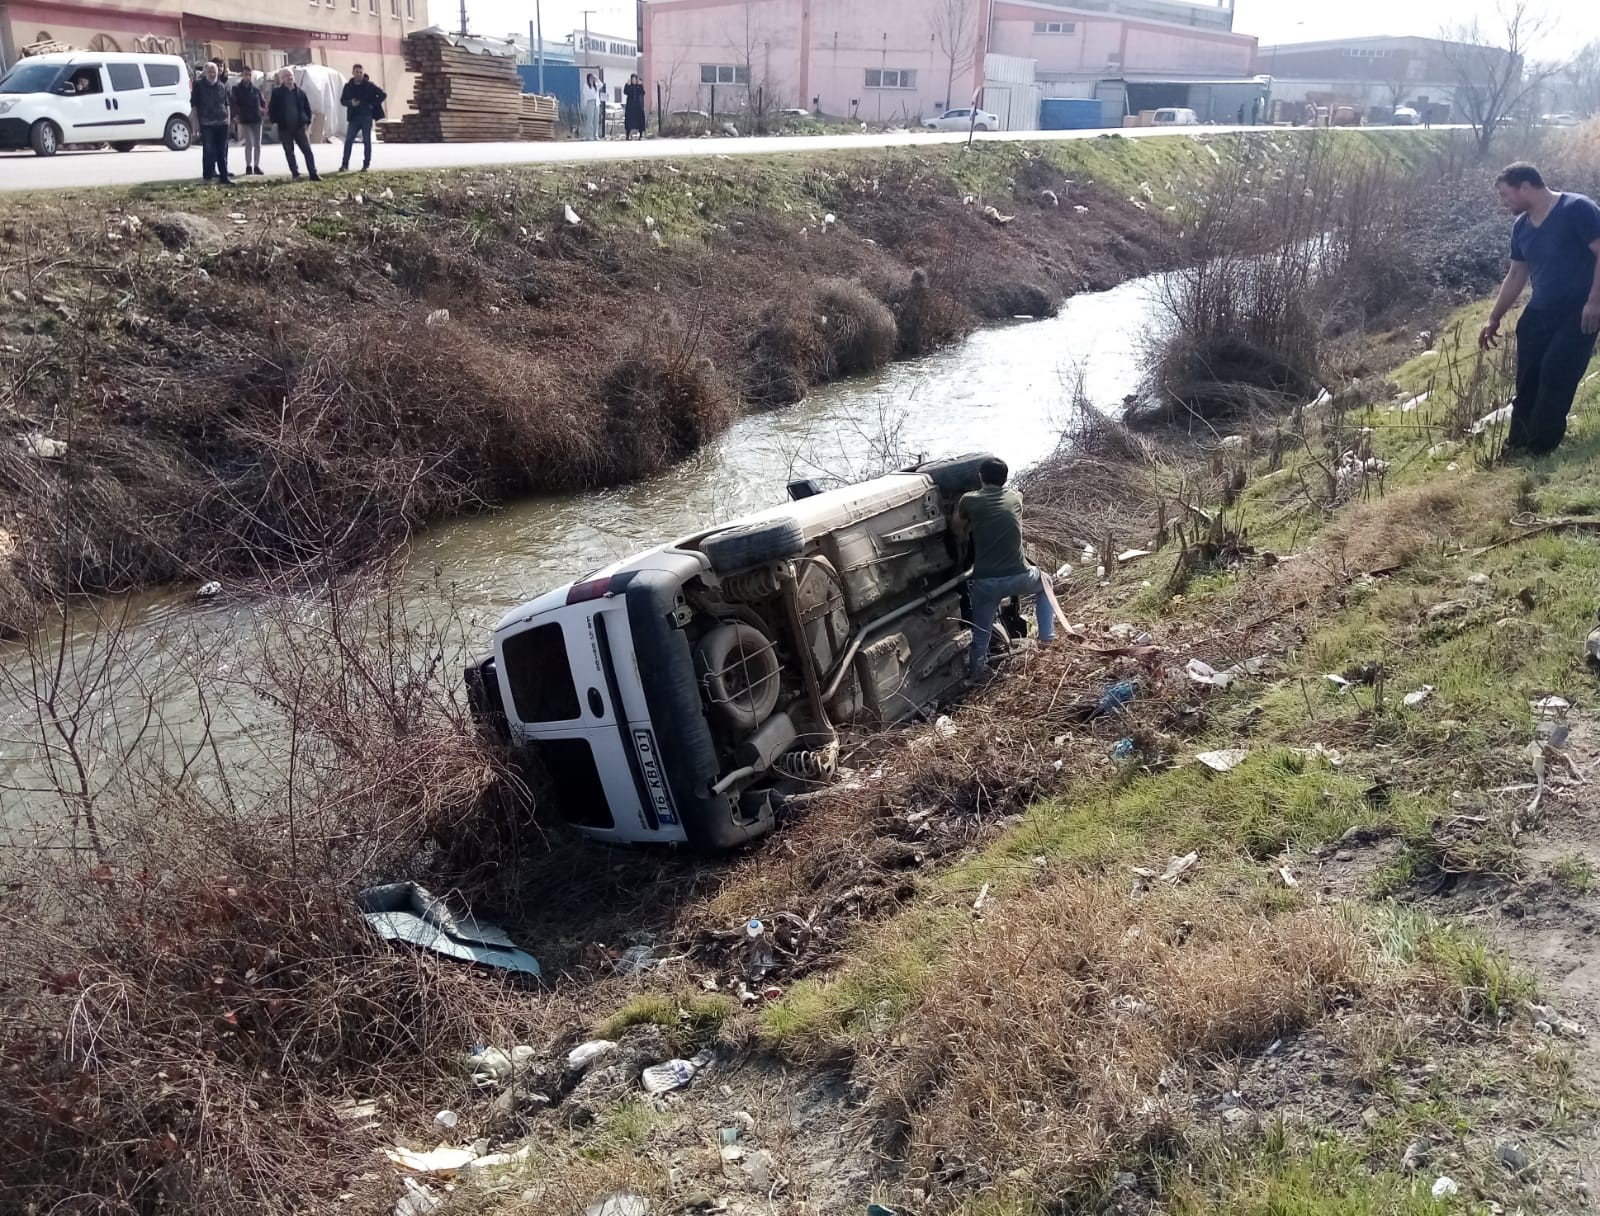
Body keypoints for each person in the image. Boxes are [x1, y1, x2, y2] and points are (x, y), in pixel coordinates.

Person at [1479, 163, 1600, 456]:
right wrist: (1494, 318)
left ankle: (1539, 449)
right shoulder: (1521, 226)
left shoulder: (1577, 209)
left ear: (1525, 187)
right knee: (1528, 378)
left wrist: (1595, 302)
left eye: (1506, 195)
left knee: (1556, 373)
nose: (1503, 202)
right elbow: (1516, 275)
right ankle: (1516, 444)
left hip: (1579, 311)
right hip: (1540, 311)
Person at [955, 457, 1056, 678]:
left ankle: (976, 676)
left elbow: (958, 530)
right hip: (1019, 577)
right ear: (1005, 479)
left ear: (980, 478)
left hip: (985, 583)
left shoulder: (968, 500)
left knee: (981, 633)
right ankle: (1047, 640)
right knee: (1045, 582)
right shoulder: (1015, 497)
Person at [269, 69, 320, 182]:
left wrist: (307, 122)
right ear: (282, 79)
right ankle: (295, 173)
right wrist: (275, 121)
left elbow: (307, 108)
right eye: (287, 76)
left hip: (299, 127)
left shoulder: (300, 92)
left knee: (307, 151)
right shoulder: (277, 93)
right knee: (289, 152)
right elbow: (272, 109)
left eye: (291, 76)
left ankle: (313, 173)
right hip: (285, 127)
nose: (290, 78)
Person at [190, 61, 233, 185]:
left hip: (222, 123)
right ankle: (207, 177)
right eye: (209, 71)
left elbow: (227, 104)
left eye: (214, 71)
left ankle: (224, 177)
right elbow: (194, 105)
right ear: (205, 72)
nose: (212, 74)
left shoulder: (222, 86)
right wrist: (195, 122)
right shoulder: (198, 85)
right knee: (209, 150)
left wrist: (228, 121)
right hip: (206, 123)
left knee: (222, 151)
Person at [339, 63, 386, 172]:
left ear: (362, 73)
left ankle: (366, 165)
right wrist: (350, 103)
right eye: (357, 72)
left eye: (360, 72)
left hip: (366, 116)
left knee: (367, 141)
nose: (359, 74)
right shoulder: (348, 86)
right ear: (353, 73)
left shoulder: (369, 85)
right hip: (354, 117)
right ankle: (344, 165)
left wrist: (372, 105)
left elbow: (383, 94)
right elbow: (342, 100)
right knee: (349, 140)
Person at [231, 67, 266, 176]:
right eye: (246, 74)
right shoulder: (236, 89)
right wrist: (236, 116)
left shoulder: (255, 90)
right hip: (245, 120)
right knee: (249, 144)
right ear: (242, 75)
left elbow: (263, 102)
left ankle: (256, 165)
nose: (248, 77)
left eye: (249, 75)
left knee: (258, 144)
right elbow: (233, 104)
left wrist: (263, 110)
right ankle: (248, 166)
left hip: (257, 120)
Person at [624, 73, 646, 140]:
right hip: (630, 107)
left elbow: (643, 92)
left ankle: (641, 135)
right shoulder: (629, 86)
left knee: (640, 120)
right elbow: (625, 92)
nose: (634, 81)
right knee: (629, 121)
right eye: (632, 79)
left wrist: (640, 85)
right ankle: (627, 135)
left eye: (635, 79)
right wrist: (627, 84)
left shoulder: (639, 86)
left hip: (638, 107)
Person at [581, 73, 600, 140]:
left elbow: (601, 85)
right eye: (591, 78)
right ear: (588, 78)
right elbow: (587, 94)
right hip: (590, 102)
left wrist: (597, 79)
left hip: (596, 102)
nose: (592, 79)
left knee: (596, 120)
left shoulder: (596, 85)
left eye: (593, 78)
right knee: (590, 119)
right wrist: (591, 85)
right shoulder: (586, 85)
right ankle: (589, 135)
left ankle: (596, 135)